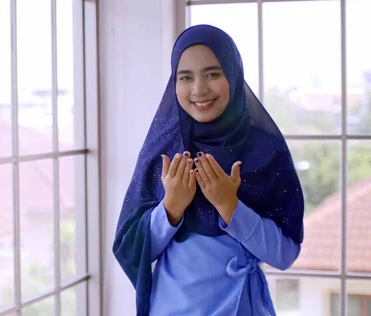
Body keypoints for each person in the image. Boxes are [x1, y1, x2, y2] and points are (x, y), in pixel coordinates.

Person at [112, 24, 305, 316]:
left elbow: (284, 255)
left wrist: (230, 206)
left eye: (213, 74)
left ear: (233, 74)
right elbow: (131, 248)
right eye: (185, 77)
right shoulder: (163, 149)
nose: (199, 89)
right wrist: (172, 207)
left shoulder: (266, 150)